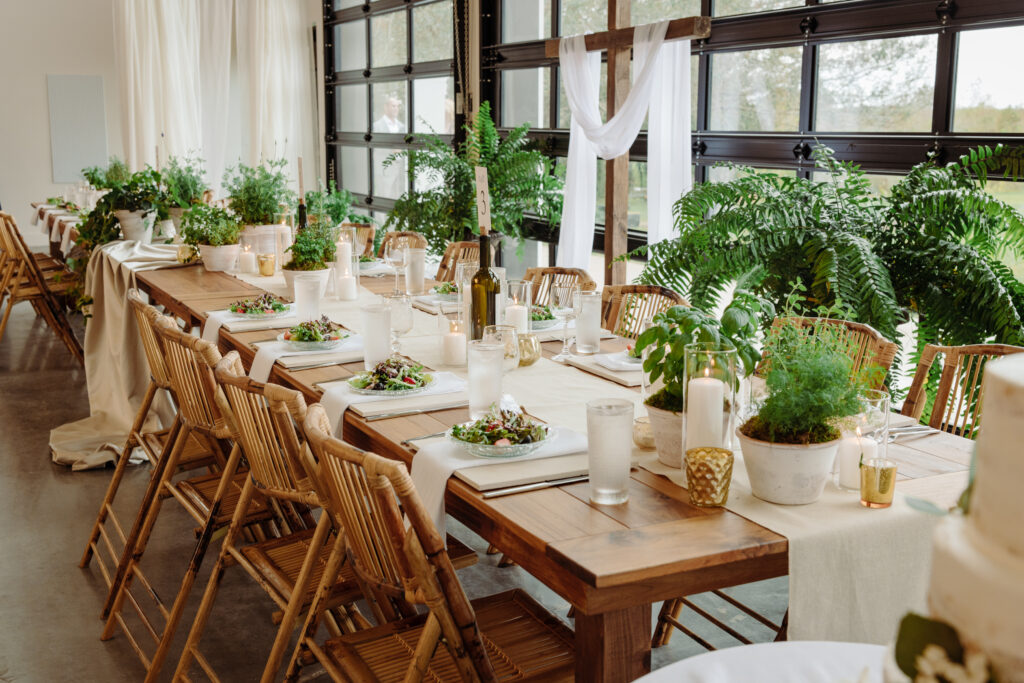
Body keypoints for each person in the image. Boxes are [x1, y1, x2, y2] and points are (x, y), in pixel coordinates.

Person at [373, 95, 406, 198]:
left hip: (400, 171)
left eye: (397, 106)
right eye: (393, 106)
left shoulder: (401, 126)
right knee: (384, 198)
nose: (396, 109)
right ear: (386, 107)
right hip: (385, 172)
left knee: (398, 200)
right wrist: (392, 150)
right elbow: (375, 147)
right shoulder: (377, 126)